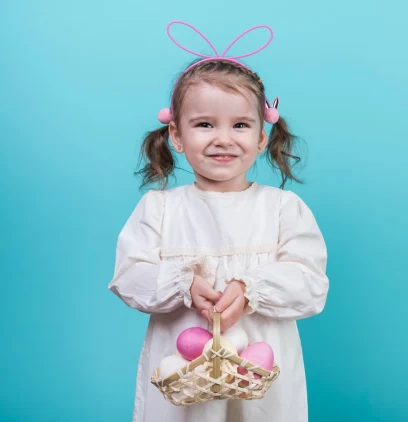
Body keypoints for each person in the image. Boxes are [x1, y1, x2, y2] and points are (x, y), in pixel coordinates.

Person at [108, 21, 329, 422]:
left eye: (240, 125)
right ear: (176, 135)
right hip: (183, 388)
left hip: (261, 388)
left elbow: (311, 286)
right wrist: (183, 283)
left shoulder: (282, 209)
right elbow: (128, 277)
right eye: (205, 124)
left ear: (262, 137)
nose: (223, 138)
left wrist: (251, 289)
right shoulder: (160, 209)